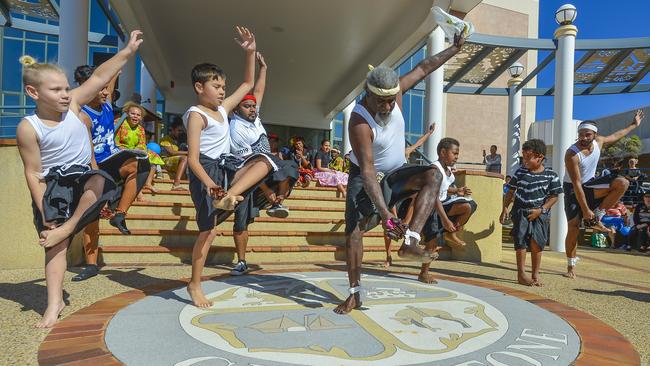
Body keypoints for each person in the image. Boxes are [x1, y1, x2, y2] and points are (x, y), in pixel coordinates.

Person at [15, 30, 142, 327]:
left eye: (66, 88)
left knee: (99, 180)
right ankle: (54, 302)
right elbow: (33, 172)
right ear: (34, 93)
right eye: (56, 90)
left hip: (83, 179)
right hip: (54, 186)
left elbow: (99, 77)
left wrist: (128, 51)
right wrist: (45, 211)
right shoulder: (28, 127)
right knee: (55, 247)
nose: (65, 94)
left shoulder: (74, 106)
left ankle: (68, 228)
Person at [334, 29, 466, 315]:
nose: (387, 106)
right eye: (381, 101)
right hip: (365, 177)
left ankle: (411, 243)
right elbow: (368, 172)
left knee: (433, 175)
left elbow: (424, 67)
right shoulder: (359, 120)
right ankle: (355, 293)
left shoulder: (396, 94)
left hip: (397, 171)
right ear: (368, 93)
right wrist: (387, 217)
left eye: (391, 100)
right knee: (354, 232)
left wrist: (453, 50)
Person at [184, 26, 275, 307]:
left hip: (227, 169)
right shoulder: (197, 115)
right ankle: (194, 284)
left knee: (265, 161)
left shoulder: (223, 110)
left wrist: (249, 52)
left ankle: (229, 195)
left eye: (224, 86)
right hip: (206, 173)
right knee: (208, 232)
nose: (223, 91)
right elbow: (192, 159)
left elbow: (248, 84)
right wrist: (210, 184)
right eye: (217, 86)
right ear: (200, 88)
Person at [72, 65, 150, 281]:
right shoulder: (81, 114)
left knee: (141, 164)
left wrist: (122, 60)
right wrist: (97, 178)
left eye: (107, 88)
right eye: (101, 89)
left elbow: (112, 78)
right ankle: (91, 265)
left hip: (113, 159)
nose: (106, 92)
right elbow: (89, 154)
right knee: (91, 218)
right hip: (94, 165)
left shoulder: (106, 104)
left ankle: (120, 214)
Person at [229, 52, 298, 275]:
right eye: (247, 107)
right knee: (241, 222)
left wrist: (264, 69)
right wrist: (266, 189)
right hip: (246, 175)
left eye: (253, 107)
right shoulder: (236, 128)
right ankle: (241, 261)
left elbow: (258, 91)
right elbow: (250, 166)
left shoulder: (254, 118)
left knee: (289, 166)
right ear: (238, 108)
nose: (252, 109)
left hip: (268, 168)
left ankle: (278, 202)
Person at [563, 110, 645, 279]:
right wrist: (586, 211)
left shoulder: (599, 142)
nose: (583, 138)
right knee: (573, 227)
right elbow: (577, 184)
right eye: (580, 134)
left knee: (623, 183)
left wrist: (634, 125)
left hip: (590, 184)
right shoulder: (572, 154)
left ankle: (598, 216)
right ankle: (571, 265)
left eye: (587, 134)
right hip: (573, 188)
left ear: (595, 135)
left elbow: (617, 135)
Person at [500, 139, 561, 287]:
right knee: (520, 242)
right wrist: (505, 208)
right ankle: (521, 274)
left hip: (540, 212)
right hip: (520, 211)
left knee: (537, 243)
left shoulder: (551, 175)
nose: (525, 160)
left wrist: (541, 210)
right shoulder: (520, 172)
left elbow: (554, 197)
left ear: (540, 157)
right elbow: (510, 191)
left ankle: (535, 274)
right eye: (524, 156)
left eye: (528, 157)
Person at [115, 102, 165, 197]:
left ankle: (148, 183)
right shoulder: (119, 123)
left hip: (134, 151)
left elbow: (142, 145)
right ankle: (137, 191)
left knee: (153, 155)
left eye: (138, 115)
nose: (135, 116)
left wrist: (137, 150)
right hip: (120, 150)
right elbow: (113, 140)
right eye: (133, 114)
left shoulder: (141, 129)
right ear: (126, 114)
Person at [159, 118, 189, 191]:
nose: (180, 133)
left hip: (177, 162)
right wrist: (190, 152)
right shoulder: (165, 139)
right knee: (185, 158)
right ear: (172, 130)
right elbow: (172, 152)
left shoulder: (181, 141)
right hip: (164, 161)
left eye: (182, 131)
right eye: (178, 131)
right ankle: (176, 185)